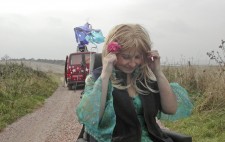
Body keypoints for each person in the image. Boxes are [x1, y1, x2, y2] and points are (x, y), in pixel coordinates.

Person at [76, 24, 177, 142]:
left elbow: (171, 109)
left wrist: (158, 72)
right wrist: (105, 74)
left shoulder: (143, 78)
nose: (133, 63)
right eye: (126, 57)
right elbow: (92, 118)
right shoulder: (97, 78)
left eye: (137, 57)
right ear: (111, 53)